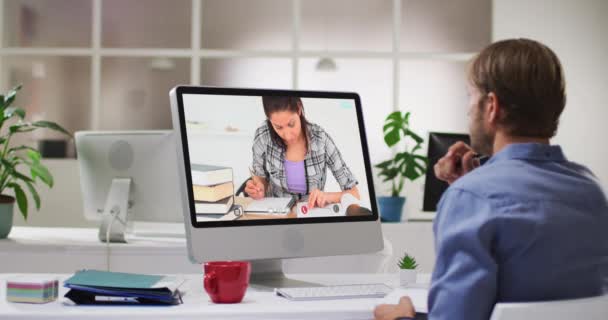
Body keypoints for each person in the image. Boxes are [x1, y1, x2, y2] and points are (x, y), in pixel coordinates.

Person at [374, 38, 608, 320]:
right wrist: (470, 187)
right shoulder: (591, 191)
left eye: (470, 96)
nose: (467, 109)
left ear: (492, 106)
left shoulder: (471, 197)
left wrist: (401, 318)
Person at [245, 96, 360, 209]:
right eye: (278, 127)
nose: (288, 135)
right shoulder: (263, 136)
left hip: (310, 216)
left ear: (299, 108)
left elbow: (354, 194)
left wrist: (328, 196)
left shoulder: (320, 139)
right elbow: (260, 177)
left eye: (291, 124)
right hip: (276, 217)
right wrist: (259, 188)